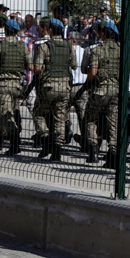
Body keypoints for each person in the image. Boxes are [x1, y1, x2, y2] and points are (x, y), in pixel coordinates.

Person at [31, 17, 76, 161]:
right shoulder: (69, 46)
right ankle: (57, 151)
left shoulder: (45, 46)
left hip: (48, 86)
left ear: (50, 30)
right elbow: (74, 65)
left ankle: (44, 139)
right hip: (65, 87)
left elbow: (37, 69)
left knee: (38, 113)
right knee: (60, 118)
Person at [85, 21, 126, 169]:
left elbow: (93, 73)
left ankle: (93, 151)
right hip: (116, 91)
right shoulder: (122, 50)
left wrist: (89, 81)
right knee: (114, 123)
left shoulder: (97, 50)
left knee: (91, 119)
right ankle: (114, 153)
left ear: (102, 34)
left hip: (100, 90)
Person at [0, 18, 29, 155]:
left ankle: (14, 141)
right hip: (17, 84)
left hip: (3, 84)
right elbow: (30, 66)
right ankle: (5, 140)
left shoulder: (0, 45)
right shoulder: (23, 46)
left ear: (5, 30)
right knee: (12, 111)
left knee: (5, 115)